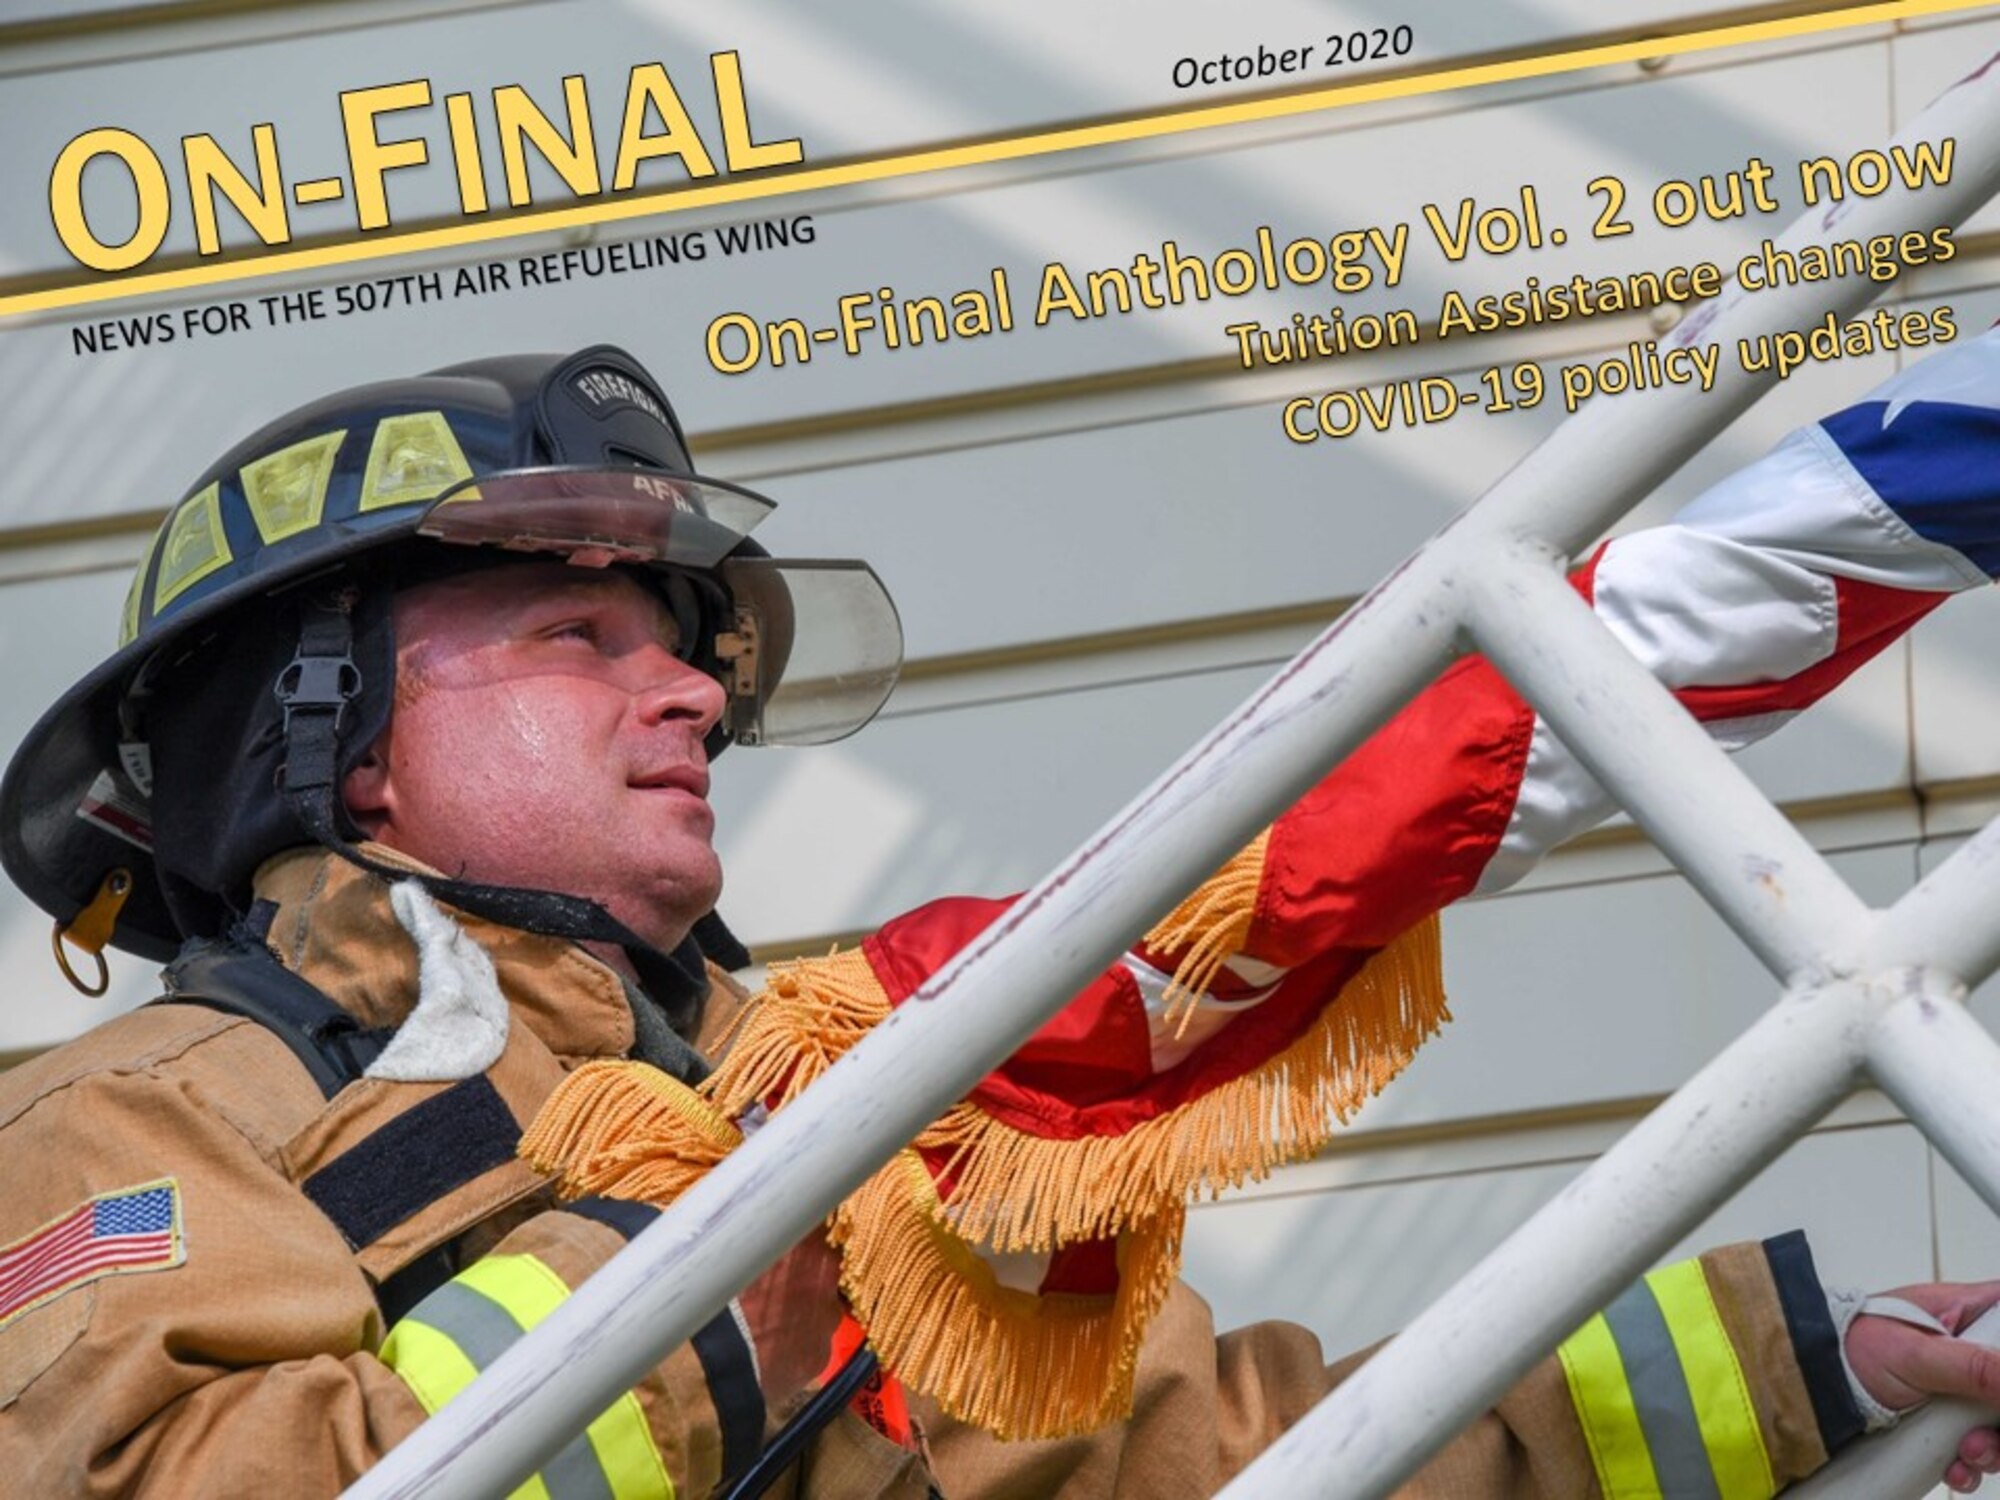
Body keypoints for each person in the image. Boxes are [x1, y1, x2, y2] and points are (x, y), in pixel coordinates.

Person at [0, 341, 1998, 1499]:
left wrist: (1814, 1353)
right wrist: (716, 1265)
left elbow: (1204, 1466)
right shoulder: (157, 1111)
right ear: (327, 743)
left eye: (690, 654)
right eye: (576, 637)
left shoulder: (830, 1094)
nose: (691, 692)